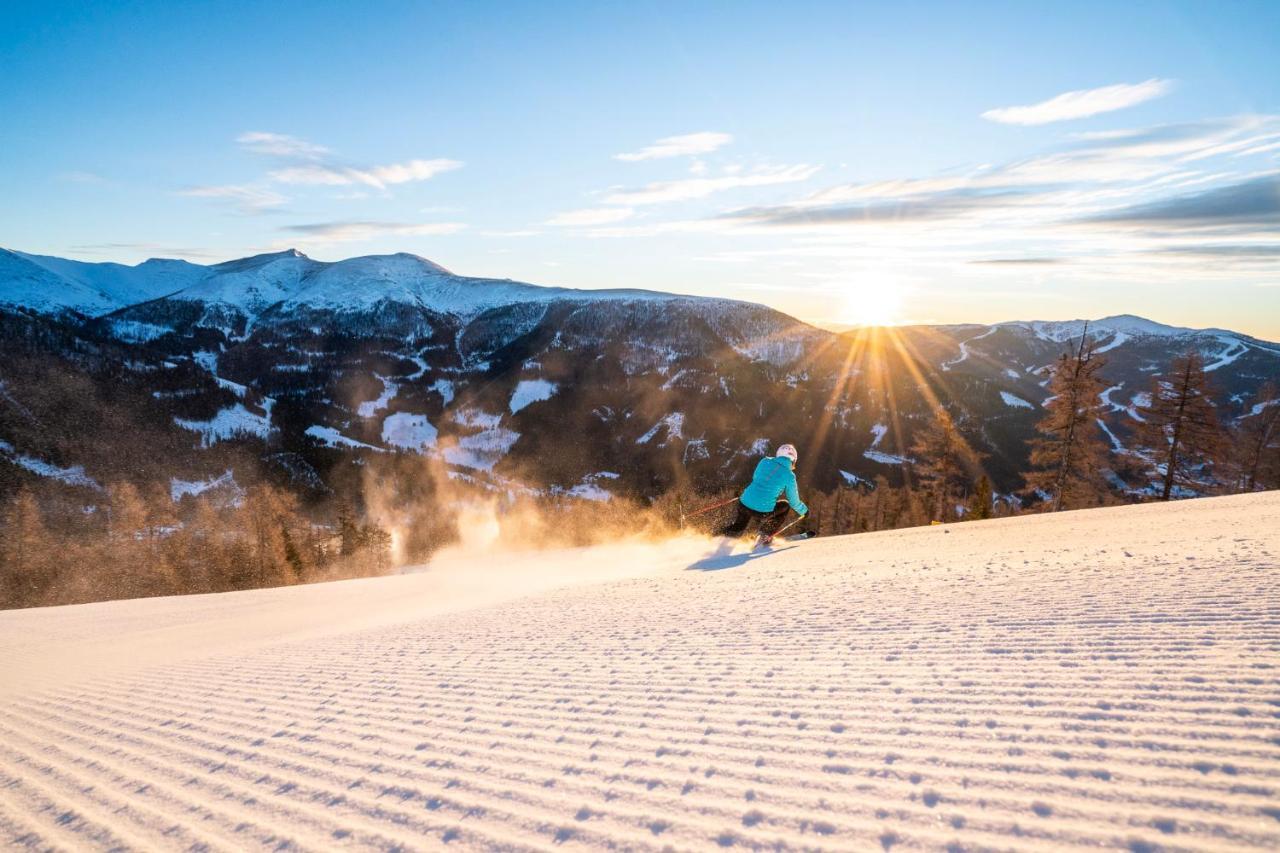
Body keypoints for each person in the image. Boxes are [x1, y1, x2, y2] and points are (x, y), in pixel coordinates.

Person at [721, 443, 808, 543]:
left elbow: (756, 478)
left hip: (744, 503)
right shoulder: (789, 475)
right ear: (793, 460)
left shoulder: (764, 461)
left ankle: (716, 537)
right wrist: (804, 511)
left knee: (739, 525)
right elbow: (793, 501)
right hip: (763, 511)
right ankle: (764, 535)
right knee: (785, 505)